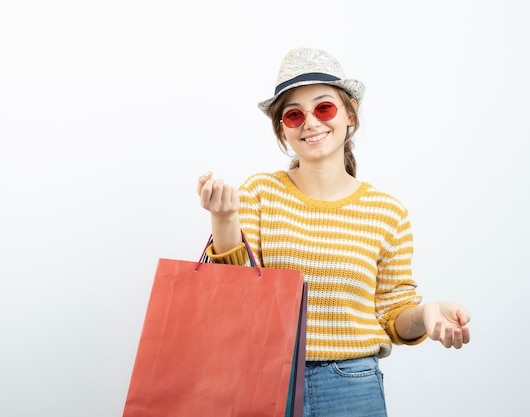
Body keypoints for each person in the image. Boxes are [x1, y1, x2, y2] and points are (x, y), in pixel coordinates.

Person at [196, 48, 471, 417]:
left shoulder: (386, 213)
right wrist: (225, 220)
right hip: (264, 380)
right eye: (294, 114)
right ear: (283, 129)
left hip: (352, 387)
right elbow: (236, 300)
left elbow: (393, 314)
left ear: (349, 113)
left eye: (323, 108)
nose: (310, 122)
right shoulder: (260, 193)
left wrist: (426, 313)